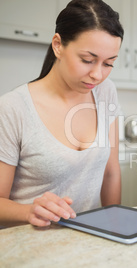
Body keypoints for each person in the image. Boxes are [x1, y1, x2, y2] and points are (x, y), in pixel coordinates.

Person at [0, 0, 124, 227]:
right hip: (28, 247)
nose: (97, 75)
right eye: (87, 60)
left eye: (108, 64)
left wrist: (114, 228)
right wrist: (29, 211)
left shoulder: (106, 92)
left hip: (87, 243)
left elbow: (111, 172)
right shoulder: (11, 109)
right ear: (58, 45)